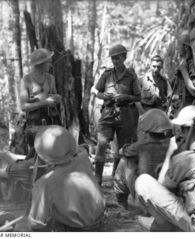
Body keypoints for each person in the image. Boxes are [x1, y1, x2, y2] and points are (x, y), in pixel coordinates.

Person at [28, 125, 106, 231]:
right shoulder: (83, 159)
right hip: (100, 224)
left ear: (41, 153)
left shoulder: (45, 184)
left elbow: (37, 223)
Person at [94, 44, 141, 185]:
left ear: (124, 57)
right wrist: (104, 96)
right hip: (107, 114)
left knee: (123, 148)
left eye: (118, 58)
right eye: (113, 58)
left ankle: (116, 176)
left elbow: (138, 97)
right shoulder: (107, 74)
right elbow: (97, 91)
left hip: (125, 115)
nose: (115, 61)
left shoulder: (131, 75)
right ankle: (97, 178)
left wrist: (126, 97)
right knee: (102, 144)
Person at [113, 109, 172, 209]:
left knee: (124, 161)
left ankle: (121, 202)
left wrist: (127, 147)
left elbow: (122, 152)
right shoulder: (172, 143)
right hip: (167, 193)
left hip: (145, 194)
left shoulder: (142, 145)